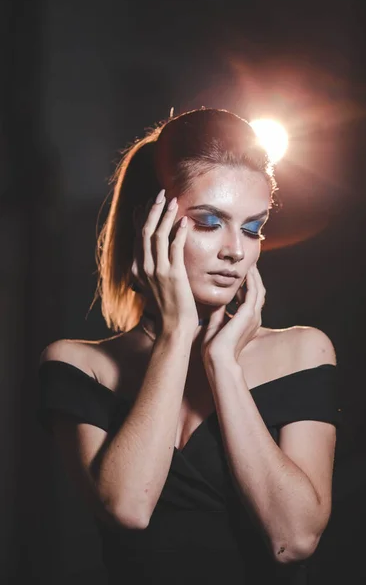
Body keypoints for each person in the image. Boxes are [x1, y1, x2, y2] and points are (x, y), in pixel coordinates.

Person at [37, 108, 341, 584]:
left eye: (251, 227)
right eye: (208, 222)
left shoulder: (302, 351)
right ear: (151, 225)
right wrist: (179, 335)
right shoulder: (79, 365)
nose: (235, 252)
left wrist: (224, 365)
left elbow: (294, 540)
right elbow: (128, 507)